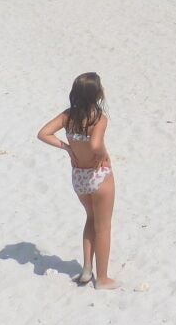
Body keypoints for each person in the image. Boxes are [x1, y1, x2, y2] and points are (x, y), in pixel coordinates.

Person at [36, 73, 118, 290]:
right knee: (104, 226)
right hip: (97, 175)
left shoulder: (68, 116)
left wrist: (67, 148)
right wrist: (103, 155)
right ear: (98, 94)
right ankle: (102, 278)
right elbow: (95, 145)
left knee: (90, 218)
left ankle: (86, 269)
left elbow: (43, 133)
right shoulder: (99, 118)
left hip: (79, 177)